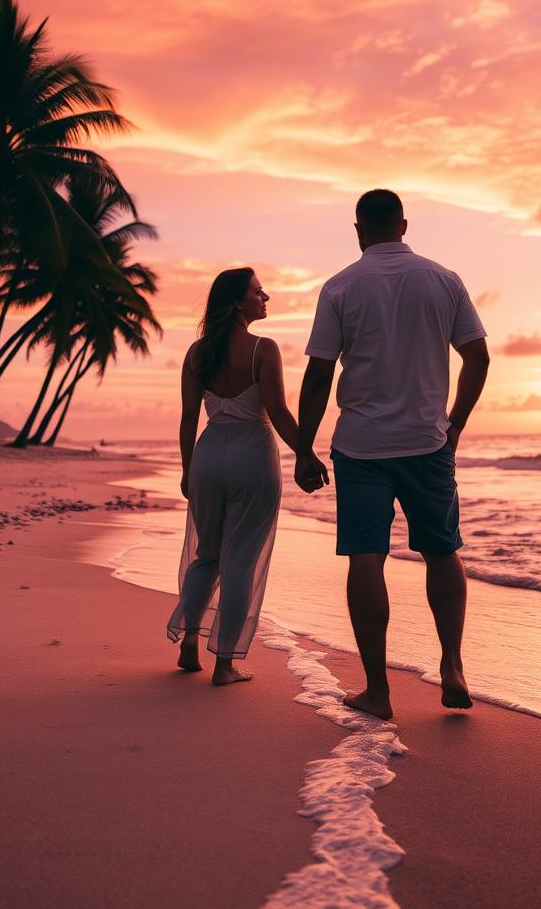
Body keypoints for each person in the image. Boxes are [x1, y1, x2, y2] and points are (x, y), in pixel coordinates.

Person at [294, 190, 490, 719]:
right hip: (428, 443)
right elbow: (478, 356)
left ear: (358, 230)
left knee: (366, 558)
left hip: (360, 446)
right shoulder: (444, 280)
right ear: (404, 224)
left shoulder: (340, 287)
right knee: (442, 551)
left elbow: (319, 372)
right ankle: (451, 665)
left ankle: (378, 691)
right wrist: (456, 424)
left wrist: (304, 448)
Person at [168, 267, 327, 686]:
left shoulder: (195, 353)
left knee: (208, 554)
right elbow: (278, 413)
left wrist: (187, 469)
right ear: (239, 302)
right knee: (241, 561)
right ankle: (224, 664)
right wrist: (306, 454)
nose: (266, 297)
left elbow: (188, 417)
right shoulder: (263, 349)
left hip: (207, 453)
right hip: (251, 456)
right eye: (259, 292)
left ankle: (188, 640)